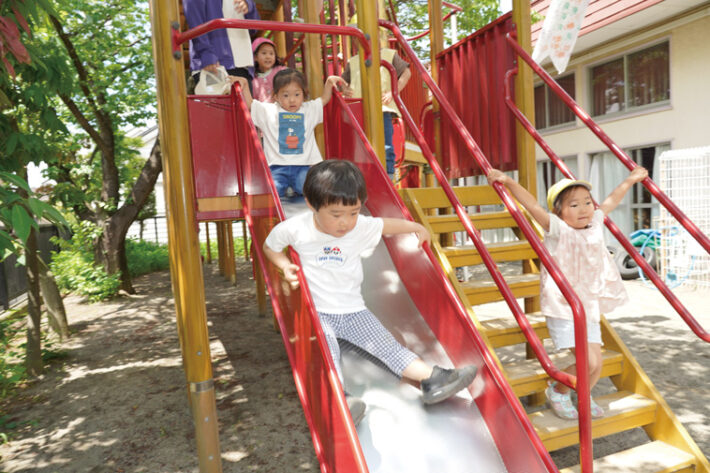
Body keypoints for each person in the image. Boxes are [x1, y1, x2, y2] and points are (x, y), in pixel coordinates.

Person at [263, 160, 478, 426]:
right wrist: (285, 266)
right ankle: (340, 400)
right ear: (311, 204)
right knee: (327, 353)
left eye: (353, 212)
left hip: (354, 311)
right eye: (336, 214)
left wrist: (415, 227)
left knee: (387, 347)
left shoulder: (359, 227)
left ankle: (433, 380)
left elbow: (384, 224)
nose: (346, 222)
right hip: (318, 312)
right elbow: (270, 247)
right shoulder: (296, 228)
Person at [487, 166, 649, 420]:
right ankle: (559, 391)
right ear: (559, 212)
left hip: (588, 304)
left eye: (586, 202)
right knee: (589, 362)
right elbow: (532, 206)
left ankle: (584, 395)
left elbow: (611, 200)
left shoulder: (594, 223)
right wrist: (508, 181)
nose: (584, 209)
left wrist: (630, 180)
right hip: (563, 305)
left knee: (597, 361)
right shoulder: (557, 230)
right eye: (574, 205)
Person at [235, 69, 346, 198]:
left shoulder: (308, 109)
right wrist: (244, 84)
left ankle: (293, 187)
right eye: (286, 95)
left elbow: (324, 99)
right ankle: (285, 188)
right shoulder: (270, 111)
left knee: (308, 189)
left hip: (303, 167)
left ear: (304, 95)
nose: (292, 100)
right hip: (277, 167)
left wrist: (329, 82)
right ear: (276, 96)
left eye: (297, 94)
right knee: (273, 190)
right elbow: (251, 105)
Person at [341, 25, 411, 180]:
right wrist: (345, 90)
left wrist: (394, 90)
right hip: (357, 111)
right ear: (354, 41)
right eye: (358, 38)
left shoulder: (388, 55)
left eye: (372, 36)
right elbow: (342, 82)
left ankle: (388, 175)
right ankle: (360, 175)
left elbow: (406, 73)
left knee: (385, 143)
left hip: (382, 109)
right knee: (358, 145)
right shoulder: (352, 62)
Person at [184, 0, 259, 94]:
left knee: (244, 108)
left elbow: (254, 29)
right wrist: (205, 53)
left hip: (243, 65)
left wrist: (249, 6)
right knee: (216, 107)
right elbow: (194, 17)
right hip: (215, 65)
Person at [251, 37, 287, 102]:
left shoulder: (281, 71)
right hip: (264, 110)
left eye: (271, 53)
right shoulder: (253, 79)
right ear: (255, 57)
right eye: (264, 53)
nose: (268, 57)